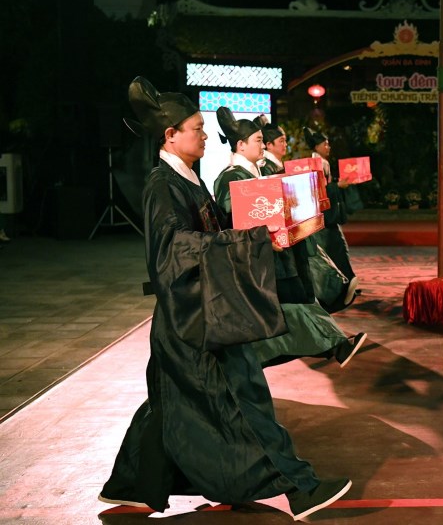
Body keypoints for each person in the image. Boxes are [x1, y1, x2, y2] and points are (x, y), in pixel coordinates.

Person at [99, 77, 351, 519]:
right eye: (195, 127)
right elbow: (173, 251)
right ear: (169, 135)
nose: (201, 134)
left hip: (185, 318)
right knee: (243, 401)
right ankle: (300, 488)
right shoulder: (163, 186)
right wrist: (249, 241)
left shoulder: (189, 180)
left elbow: (211, 237)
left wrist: (259, 237)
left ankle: (135, 484)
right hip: (194, 319)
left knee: (168, 405)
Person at [213, 107, 366, 368]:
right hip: (260, 262)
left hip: (278, 257)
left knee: (298, 305)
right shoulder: (230, 177)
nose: (263, 146)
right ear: (240, 145)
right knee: (290, 311)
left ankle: (335, 344)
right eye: (259, 141)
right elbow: (235, 216)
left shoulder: (254, 173)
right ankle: (335, 345)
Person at [305, 126, 358, 305]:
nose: (328, 147)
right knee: (333, 249)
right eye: (325, 144)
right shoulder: (317, 163)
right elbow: (319, 190)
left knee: (335, 248)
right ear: (317, 146)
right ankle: (341, 286)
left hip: (325, 214)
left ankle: (345, 283)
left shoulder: (320, 162)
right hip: (323, 215)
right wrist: (337, 186)